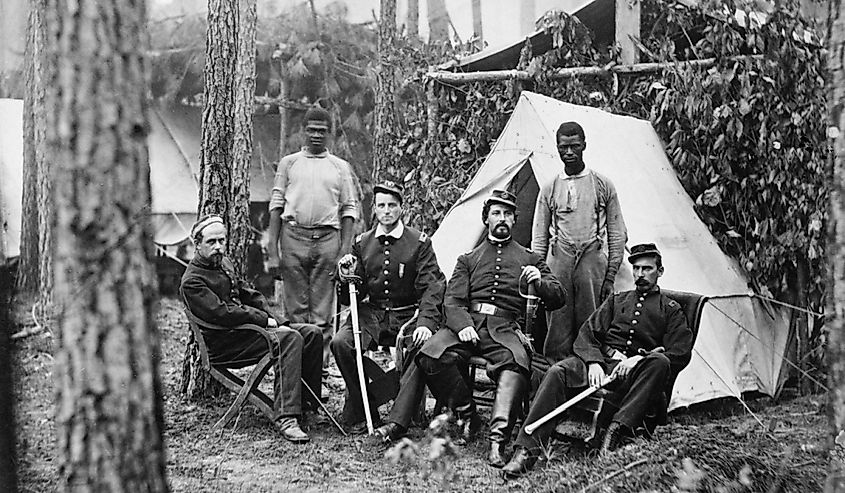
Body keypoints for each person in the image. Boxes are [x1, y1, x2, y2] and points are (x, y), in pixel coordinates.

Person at [503, 243, 693, 477]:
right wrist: (594, 362)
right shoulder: (617, 301)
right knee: (558, 371)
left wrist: (639, 359)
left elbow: (680, 352)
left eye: (647, 269)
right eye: (636, 269)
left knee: (660, 363)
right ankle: (526, 450)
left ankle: (617, 430)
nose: (640, 275)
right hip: (601, 365)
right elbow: (587, 334)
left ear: (660, 271)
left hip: (636, 377)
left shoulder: (670, 309)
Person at [417, 190, 565, 468]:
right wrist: (463, 326)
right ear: (486, 218)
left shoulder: (530, 258)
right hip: (469, 325)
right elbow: (453, 300)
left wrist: (541, 282)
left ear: (514, 220)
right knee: (430, 354)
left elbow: (559, 296)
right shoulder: (468, 259)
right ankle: (466, 413)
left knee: (515, 363)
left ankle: (497, 441)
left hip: (505, 329)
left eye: (508, 214)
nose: (502, 219)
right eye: (496, 213)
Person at [181, 215, 324, 443]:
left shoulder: (224, 263)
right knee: (288, 339)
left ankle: (308, 406)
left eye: (222, 240)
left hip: (244, 333)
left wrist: (276, 319)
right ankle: (286, 417)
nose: (218, 247)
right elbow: (223, 314)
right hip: (226, 345)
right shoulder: (192, 281)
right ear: (197, 244)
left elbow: (249, 294)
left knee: (311, 334)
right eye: (211, 242)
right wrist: (262, 321)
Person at [332, 181, 446, 437]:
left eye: (392, 206)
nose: (387, 211)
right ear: (374, 209)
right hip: (371, 315)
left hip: (407, 315)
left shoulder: (419, 242)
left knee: (420, 347)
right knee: (341, 343)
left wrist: (426, 323)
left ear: (401, 208)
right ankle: (366, 409)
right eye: (381, 206)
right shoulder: (362, 243)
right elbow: (353, 293)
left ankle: (398, 421)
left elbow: (433, 287)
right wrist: (345, 275)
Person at [266, 106, 360, 371]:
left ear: (329, 134)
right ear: (302, 132)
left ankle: (318, 372)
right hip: (293, 238)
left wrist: (344, 251)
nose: (316, 135)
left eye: (322, 131)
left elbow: (349, 210)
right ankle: (294, 371)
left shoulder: (339, 167)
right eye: (312, 130)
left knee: (321, 314)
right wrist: (273, 253)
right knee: (295, 312)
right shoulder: (289, 163)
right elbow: (275, 206)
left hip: (327, 241)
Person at [532, 121, 627, 360]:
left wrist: (610, 273)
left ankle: (589, 375)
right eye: (564, 147)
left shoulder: (602, 185)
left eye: (575, 146)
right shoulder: (549, 188)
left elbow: (617, 233)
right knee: (558, 322)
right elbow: (539, 237)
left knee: (591, 321)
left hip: (591, 260)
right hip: (559, 261)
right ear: (557, 147)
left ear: (584, 145)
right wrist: (543, 275)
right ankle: (557, 376)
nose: (569, 153)